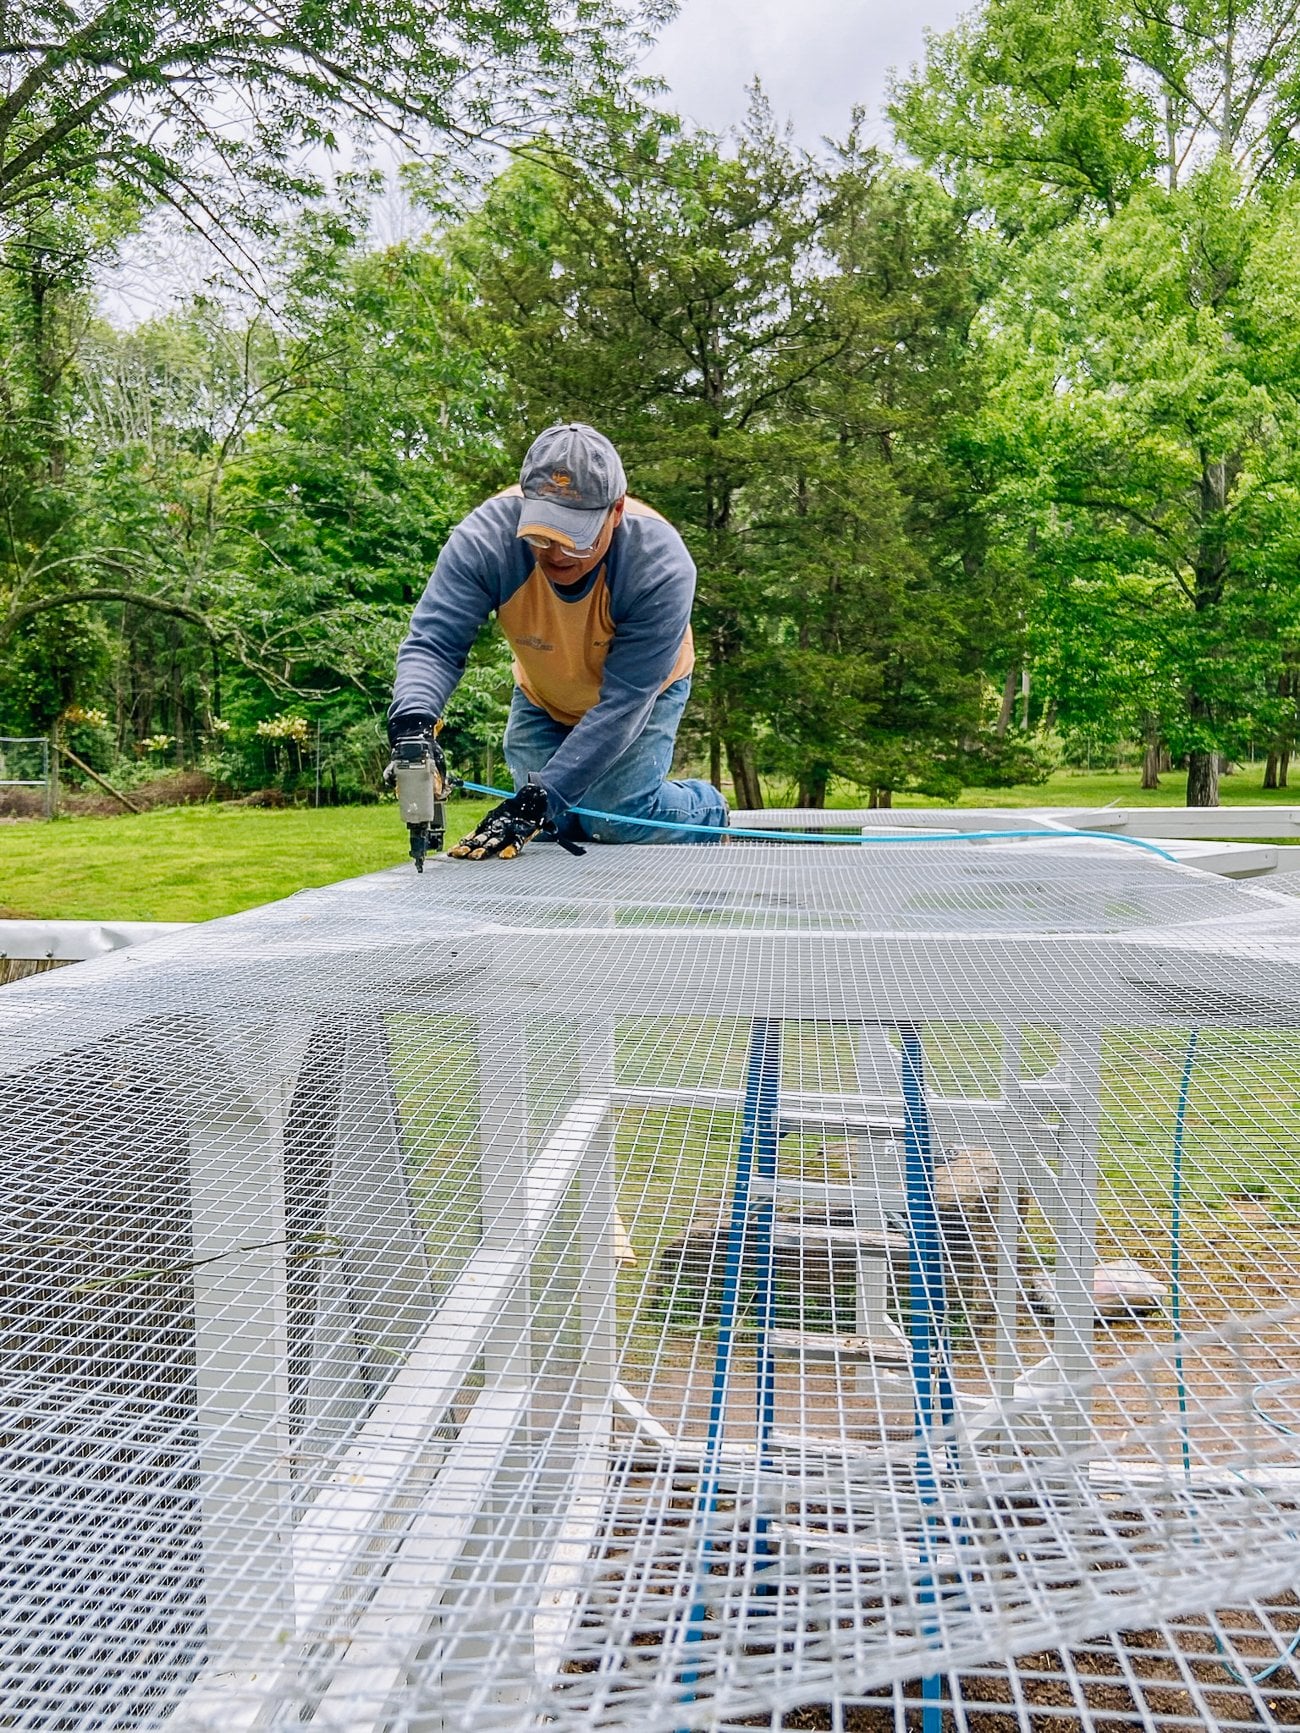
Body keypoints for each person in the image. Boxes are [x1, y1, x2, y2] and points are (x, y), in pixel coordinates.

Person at [388, 422, 728, 859]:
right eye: (543, 532)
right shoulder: (485, 540)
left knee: (613, 818)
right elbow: (434, 642)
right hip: (544, 691)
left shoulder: (658, 564)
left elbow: (625, 701)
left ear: (617, 510)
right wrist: (413, 722)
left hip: (641, 695)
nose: (557, 551)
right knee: (550, 828)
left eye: (576, 536)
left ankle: (708, 809)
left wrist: (541, 797)